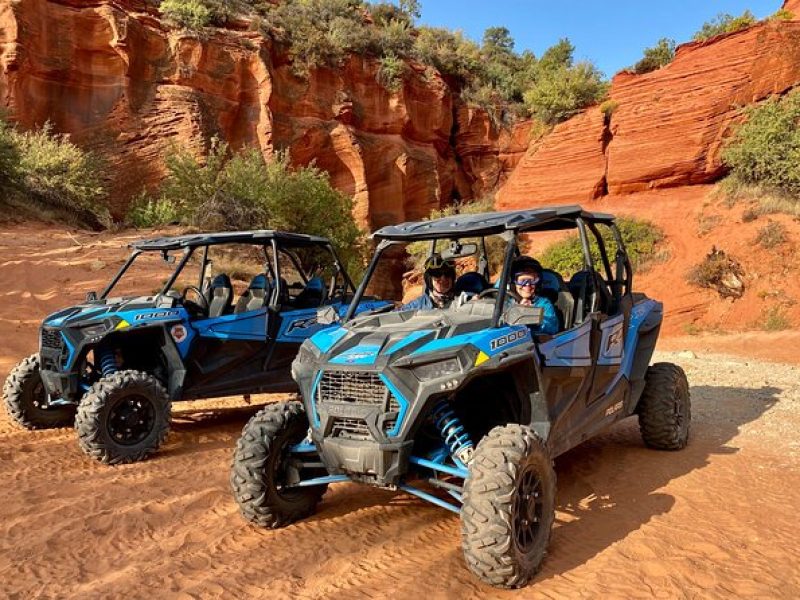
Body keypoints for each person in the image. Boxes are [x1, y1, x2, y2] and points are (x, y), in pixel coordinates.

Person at [510, 256, 559, 335]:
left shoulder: (544, 303)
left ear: (538, 283)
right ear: (514, 283)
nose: (527, 285)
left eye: (532, 280)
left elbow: (553, 327)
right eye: (522, 281)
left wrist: (533, 317)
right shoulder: (507, 302)